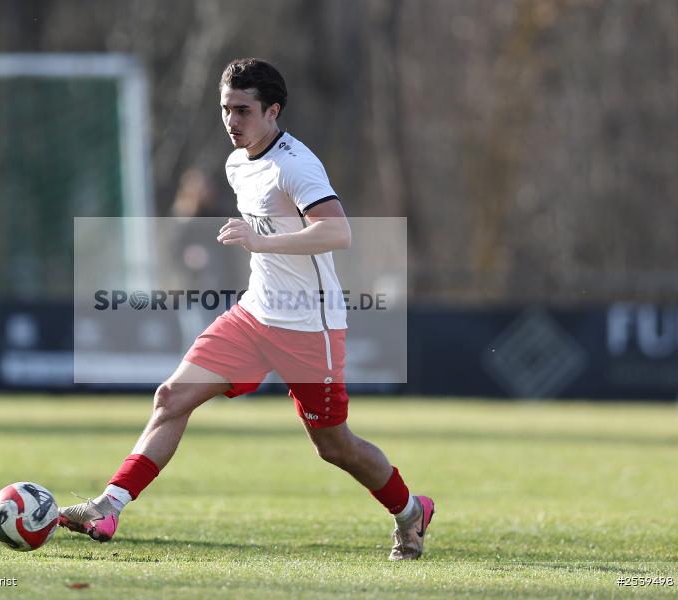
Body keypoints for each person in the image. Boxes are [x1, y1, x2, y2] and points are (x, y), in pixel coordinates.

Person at [59, 58, 434, 560]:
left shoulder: (295, 163)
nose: (231, 121)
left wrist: (259, 241)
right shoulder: (236, 163)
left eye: (243, 110)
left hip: (310, 326)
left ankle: (410, 511)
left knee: (333, 446)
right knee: (171, 397)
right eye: (225, 109)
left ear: (272, 111)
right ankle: (110, 505)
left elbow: (338, 231)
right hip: (255, 315)